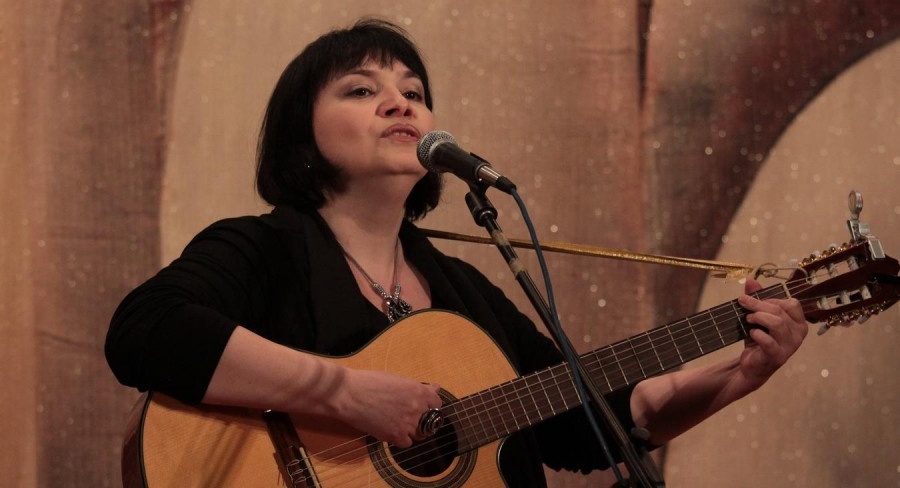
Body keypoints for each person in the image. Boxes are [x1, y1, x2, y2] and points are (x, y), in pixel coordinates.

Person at [105, 18, 808, 486]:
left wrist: (739, 373)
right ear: (302, 138)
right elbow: (145, 330)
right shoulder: (262, 249)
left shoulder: (465, 293)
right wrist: (347, 394)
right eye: (361, 89)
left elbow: (590, 424)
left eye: (413, 91)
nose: (400, 103)